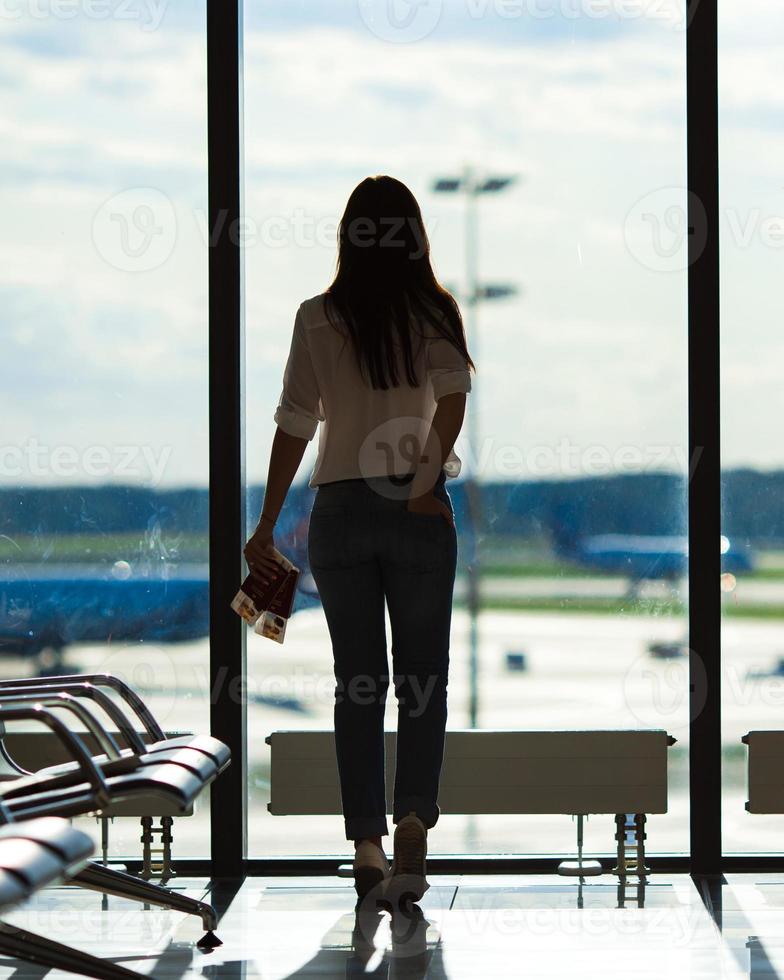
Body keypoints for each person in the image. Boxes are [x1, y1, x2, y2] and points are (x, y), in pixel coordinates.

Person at [244, 175, 473, 902]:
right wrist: (419, 484)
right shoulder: (433, 310)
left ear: (348, 235)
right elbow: (454, 399)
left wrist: (266, 522)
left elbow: (294, 422)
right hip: (413, 500)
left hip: (338, 509)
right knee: (422, 679)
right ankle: (412, 818)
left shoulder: (317, 315)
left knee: (358, 683)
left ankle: (367, 843)